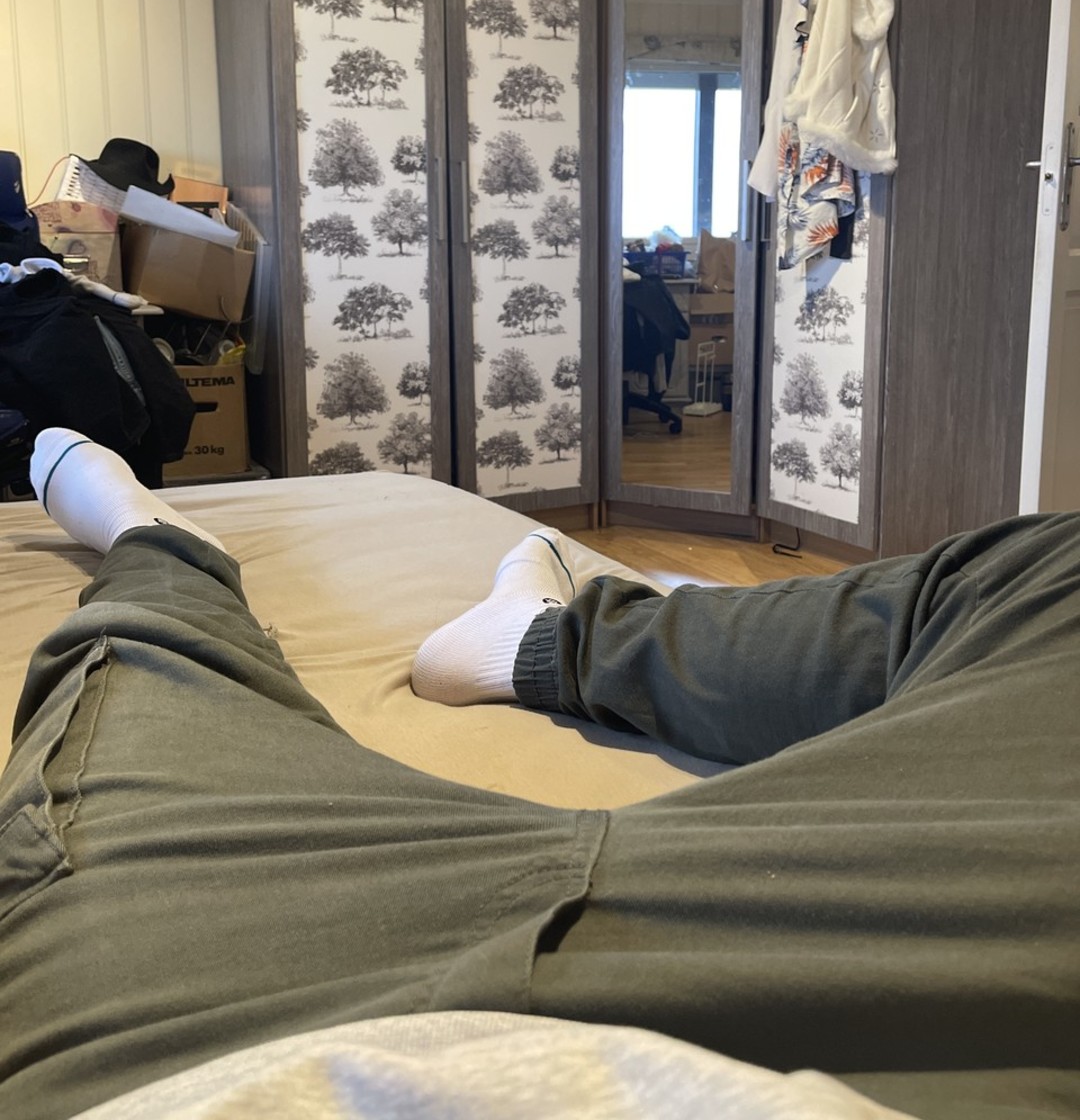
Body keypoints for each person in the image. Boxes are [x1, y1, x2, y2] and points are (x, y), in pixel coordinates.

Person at [1, 428, 1076, 1120]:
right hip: (964, 901)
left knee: (142, 687)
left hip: (249, 1051)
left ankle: (163, 548)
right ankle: (538, 642)